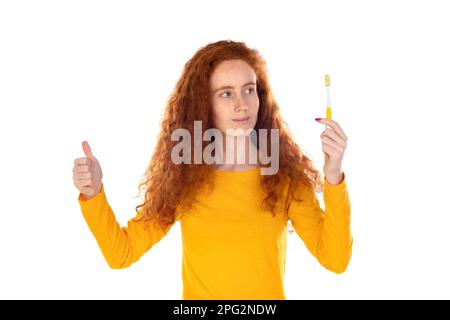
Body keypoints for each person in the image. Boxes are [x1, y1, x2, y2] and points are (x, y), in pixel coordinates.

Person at [73, 40, 352, 300]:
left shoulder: (284, 176)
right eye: (226, 93)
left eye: (248, 89)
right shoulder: (185, 179)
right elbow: (122, 253)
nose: (241, 104)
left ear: (260, 95)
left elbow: (336, 260)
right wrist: (93, 192)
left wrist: (333, 174)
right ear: (204, 104)